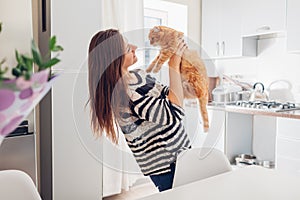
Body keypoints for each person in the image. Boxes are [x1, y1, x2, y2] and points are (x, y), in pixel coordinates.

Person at [87, 29, 191, 192]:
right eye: (128, 48)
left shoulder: (138, 75)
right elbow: (174, 112)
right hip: (166, 165)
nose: (135, 47)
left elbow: (169, 94)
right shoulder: (123, 95)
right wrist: (173, 65)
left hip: (182, 152)